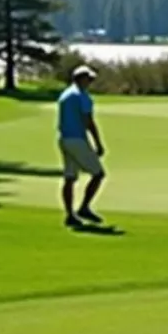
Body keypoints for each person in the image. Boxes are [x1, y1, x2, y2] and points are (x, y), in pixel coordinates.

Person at [58, 63, 106, 229]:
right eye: (89, 79)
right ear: (81, 79)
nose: (90, 82)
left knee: (70, 178)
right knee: (98, 174)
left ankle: (70, 215)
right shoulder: (82, 96)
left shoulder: (65, 94)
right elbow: (88, 122)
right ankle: (84, 208)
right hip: (77, 140)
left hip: (64, 139)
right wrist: (98, 143)